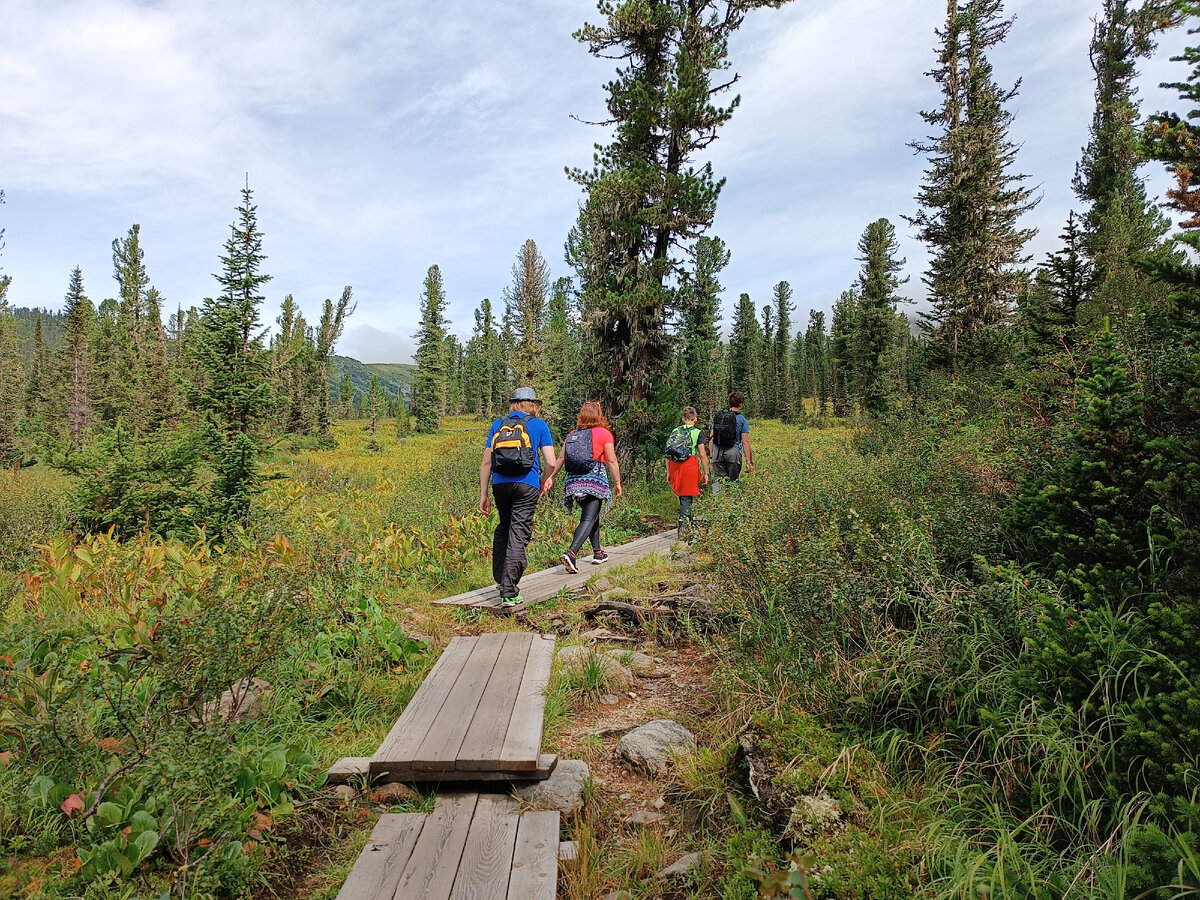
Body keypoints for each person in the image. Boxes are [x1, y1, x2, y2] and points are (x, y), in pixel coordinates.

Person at [479, 387, 557, 606]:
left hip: (500, 485)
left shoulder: (498, 424)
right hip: (527, 484)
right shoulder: (539, 425)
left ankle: (501, 580)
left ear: (514, 403)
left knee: (504, 527)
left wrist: (483, 494)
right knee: (519, 531)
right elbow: (551, 462)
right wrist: (543, 480)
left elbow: (486, 463)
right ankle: (509, 591)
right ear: (534, 405)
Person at [542, 401, 622, 573]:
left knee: (591, 516)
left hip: (573, 483)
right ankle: (571, 553)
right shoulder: (604, 434)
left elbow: (561, 458)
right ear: (599, 415)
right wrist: (617, 482)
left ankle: (598, 553)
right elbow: (611, 460)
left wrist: (551, 477)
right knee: (588, 518)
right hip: (594, 481)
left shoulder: (572, 434)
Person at [665, 407, 710, 540]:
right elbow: (702, 454)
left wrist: (668, 471)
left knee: (684, 496)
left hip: (675, 466)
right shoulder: (697, 432)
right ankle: (684, 528)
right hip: (689, 465)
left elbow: (668, 453)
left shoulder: (675, 431)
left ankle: (689, 525)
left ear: (683, 419)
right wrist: (706, 472)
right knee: (687, 496)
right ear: (695, 419)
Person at [708, 391, 753, 493]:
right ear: (741, 405)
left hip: (717, 452)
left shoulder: (720, 417)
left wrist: (711, 456)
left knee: (718, 481)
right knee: (733, 483)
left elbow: (711, 438)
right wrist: (748, 460)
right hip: (733, 452)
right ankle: (732, 504)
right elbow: (745, 442)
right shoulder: (742, 420)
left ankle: (717, 505)